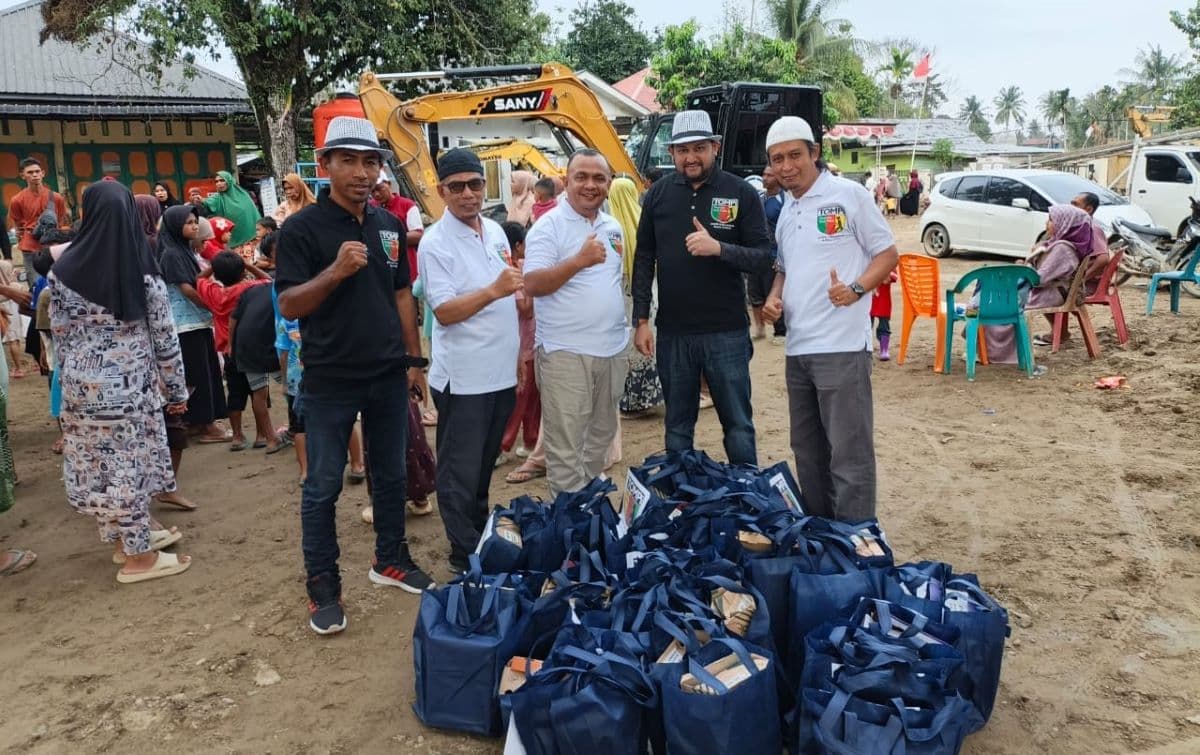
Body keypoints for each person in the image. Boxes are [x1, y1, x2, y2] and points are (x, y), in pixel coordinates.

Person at [277, 116, 432, 635]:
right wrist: (335, 271)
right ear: (324, 166)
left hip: (387, 373)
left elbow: (401, 295)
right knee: (321, 486)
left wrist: (414, 362)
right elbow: (289, 304)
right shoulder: (300, 230)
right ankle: (323, 587)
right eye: (348, 161)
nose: (362, 172)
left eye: (371, 161)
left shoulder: (388, 224)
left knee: (390, 474)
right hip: (329, 379)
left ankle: (390, 558)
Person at [50, 180, 193, 583]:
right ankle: (139, 560)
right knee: (128, 469)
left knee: (102, 468)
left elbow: (58, 334)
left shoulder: (63, 270)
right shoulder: (143, 272)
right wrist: (177, 391)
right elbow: (165, 339)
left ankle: (121, 541)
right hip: (129, 390)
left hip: (80, 388)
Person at [761, 116, 899, 522]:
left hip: (841, 347)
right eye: (777, 159)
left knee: (848, 452)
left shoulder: (849, 196)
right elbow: (784, 268)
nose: (786, 166)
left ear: (815, 154)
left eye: (794, 156)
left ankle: (858, 540)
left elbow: (887, 253)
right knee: (808, 451)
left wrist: (856, 288)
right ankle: (823, 535)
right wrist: (773, 298)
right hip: (798, 348)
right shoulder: (786, 209)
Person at [631, 110, 773, 466]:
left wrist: (719, 248)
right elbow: (644, 258)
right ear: (672, 152)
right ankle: (681, 497)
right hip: (674, 333)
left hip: (726, 332)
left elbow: (763, 257)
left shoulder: (740, 192)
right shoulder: (657, 195)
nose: (690, 157)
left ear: (715, 146)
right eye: (682, 150)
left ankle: (746, 494)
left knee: (738, 424)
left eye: (699, 148)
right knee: (678, 427)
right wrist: (641, 320)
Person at [417, 147, 520, 573]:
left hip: (499, 374)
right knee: (459, 475)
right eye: (456, 187)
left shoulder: (495, 232)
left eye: (475, 184)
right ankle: (464, 556)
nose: (467, 194)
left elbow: (510, 293)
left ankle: (480, 540)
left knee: (481, 468)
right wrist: (495, 290)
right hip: (464, 378)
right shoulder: (434, 243)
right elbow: (444, 311)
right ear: (442, 191)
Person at [523, 150, 628, 494]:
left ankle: (587, 510)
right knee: (566, 448)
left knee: (600, 439)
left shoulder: (612, 226)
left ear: (609, 184)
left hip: (611, 350)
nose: (590, 185)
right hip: (565, 353)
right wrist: (579, 261)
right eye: (581, 177)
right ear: (565, 182)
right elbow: (533, 283)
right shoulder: (547, 227)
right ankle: (568, 531)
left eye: (599, 178)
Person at [156, 205, 230, 443]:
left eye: (195, 221)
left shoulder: (181, 250)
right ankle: (205, 424)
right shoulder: (171, 254)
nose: (195, 226)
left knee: (205, 371)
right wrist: (213, 306)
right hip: (185, 324)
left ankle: (199, 423)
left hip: (196, 321)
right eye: (189, 222)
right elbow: (187, 288)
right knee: (199, 374)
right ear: (176, 226)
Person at [986, 204, 1100, 356]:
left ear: (1066, 224)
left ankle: (995, 350)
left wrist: (1023, 268)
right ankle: (993, 347)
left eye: (1051, 220)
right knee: (999, 296)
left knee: (1000, 301)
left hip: (1050, 292)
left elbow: (1039, 279)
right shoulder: (1062, 245)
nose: (1047, 223)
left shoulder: (1062, 249)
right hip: (1054, 290)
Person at [195, 252, 275, 451]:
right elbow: (268, 280)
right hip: (251, 347)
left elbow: (199, 278)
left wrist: (215, 265)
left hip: (228, 350)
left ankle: (237, 436)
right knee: (258, 393)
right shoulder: (249, 288)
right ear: (241, 272)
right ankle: (261, 435)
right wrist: (247, 265)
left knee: (235, 394)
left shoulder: (215, 293)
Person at [610, 175, 663, 417]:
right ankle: (650, 397)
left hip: (623, 298)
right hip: (649, 295)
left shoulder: (611, 227)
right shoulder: (644, 218)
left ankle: (630, 402)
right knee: (647, 345)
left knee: (628, 348)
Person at [230, 271, 288, 457]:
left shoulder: (251, 290)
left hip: (245, 344)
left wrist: (232, 346)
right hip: (271, 344)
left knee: (259, 392)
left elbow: (233, 319)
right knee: (294, 386)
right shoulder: (284, 289)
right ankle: (299, 430)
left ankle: (269, 439)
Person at [498, 221, 540, 461]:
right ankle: (503, 444)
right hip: (518, 344)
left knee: (533, 395)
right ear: (517, 245)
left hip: (530, 341)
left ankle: (531, 440)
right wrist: (533, 285)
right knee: (520, 395)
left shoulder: (521, 266)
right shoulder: (508, 273)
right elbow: (525, 309)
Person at [10, 157, 69, 282]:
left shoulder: (57, 198)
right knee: (36, 284)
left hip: (52, 247)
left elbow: (60, 221)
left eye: (37, 171)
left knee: (57, 283)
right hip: (30, 248)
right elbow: (18, 225)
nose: (35, 175)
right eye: (30, 173)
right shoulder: (17, 200)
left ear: (43, 173)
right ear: (22, 176)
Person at [747, 167, 787, 344]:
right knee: (754, 293)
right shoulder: (760, 199)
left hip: (774, 255)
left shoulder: (785, 200)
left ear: (778, 178)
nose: (765, 178)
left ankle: (780, 332)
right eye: (764, 175)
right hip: (757, 253)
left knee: (774, 292)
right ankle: (760, 328)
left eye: (770, 175)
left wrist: (781, 257)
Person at [371, 176, 424, 280]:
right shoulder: (370, 207)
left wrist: (385, 238)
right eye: (372, 191)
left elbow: (418, 235)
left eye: (379, 188)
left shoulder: (407, 205)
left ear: (389, 184)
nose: (376, 194)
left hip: (407, 266)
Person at [202, 171, 261, 248]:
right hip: (232, 240)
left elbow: (252, 213)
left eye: (222, 180)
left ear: (228, 181)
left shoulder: (243, 195)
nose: (219, 183)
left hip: (251, 239)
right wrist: (200, 200)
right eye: (216, 181)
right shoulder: (218, 198)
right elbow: (207, 202)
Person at [0, 260, 27, 377]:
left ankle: (18, 368)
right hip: (14, 307)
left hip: (4, 308)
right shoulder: (6, 265)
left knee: (12, 340)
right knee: (16, 339)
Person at [870, 270, 899, 361]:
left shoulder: (887, 258)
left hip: (883, 300)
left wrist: (887, 274)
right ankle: (865, 350)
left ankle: (884, 349)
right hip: (867, 301)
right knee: (866, 326)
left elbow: (894, 276)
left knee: (884, 325)